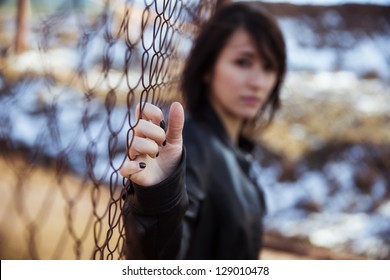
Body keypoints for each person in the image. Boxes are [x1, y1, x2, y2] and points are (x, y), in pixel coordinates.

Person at [119, 1, 286, 259]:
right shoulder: (194, 146)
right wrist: (159, 200)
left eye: (269, 67)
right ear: (208, 67)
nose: (258, 82)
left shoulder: (235, 151)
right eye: (243, 62)